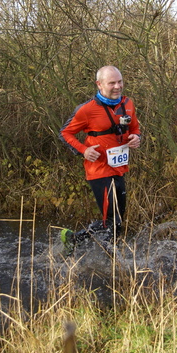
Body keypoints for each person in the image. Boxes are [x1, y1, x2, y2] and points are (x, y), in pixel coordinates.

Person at [59, 66, 141, 252]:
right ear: (99, 84)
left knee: (117, 221)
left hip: (119, 168)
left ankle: (91, 247)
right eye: (111, 83)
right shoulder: (87, 109)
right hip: (98, 171)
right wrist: (84, 150)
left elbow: (135, 128)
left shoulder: (128, 103)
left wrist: (137, 138)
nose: (117, 86)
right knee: (113, 219)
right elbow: (65, 133)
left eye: (120, 81)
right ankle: (82, 243)